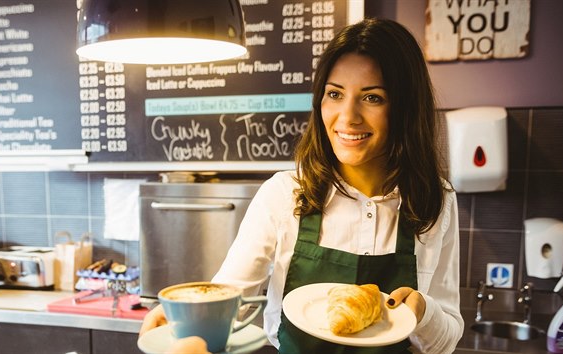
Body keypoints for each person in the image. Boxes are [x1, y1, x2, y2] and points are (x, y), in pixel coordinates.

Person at [141, 17, 463, 354]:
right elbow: (231, 295)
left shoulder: (434, 200)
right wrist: (181, 316)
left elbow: (446, 340)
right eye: (334, 94)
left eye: (372, 98)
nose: (347, 116)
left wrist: (423, 312)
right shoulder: (284, 194)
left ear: (406, 107)